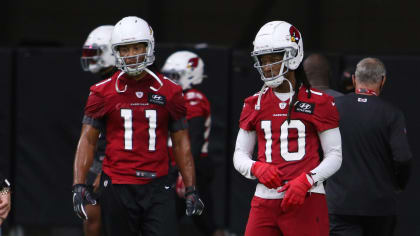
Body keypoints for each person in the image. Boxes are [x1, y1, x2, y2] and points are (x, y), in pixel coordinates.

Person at [72, 16, 204, 236]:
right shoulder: (101, 92)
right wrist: (78, 184)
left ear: (149, 47)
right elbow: (87, 139)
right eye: (125, 49)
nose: (131, 55)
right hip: (117, 184)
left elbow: (182, 143)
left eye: (136, 48)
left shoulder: (170, 91)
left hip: (158, 184)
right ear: (116, 52)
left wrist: (191, 188)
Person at [233, 21, 342, 236]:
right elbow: (239, 155)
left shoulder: (320, 102)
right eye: (263, 60)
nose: (268, 67)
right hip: (265, 199)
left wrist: (308, 179)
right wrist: (256, 167)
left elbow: (335, 155)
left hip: (307, 197)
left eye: (274, 59)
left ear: (294, 55)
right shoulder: (253, 103)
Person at [326, 57, 413, 236]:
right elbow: (403, 157)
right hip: (379, 207)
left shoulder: (333, 108)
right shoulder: (392, 113)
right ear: (383, 81)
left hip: (340, 204)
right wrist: (398, 184)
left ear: (353, 80)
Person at [162, 51, 224, 236]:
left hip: (190, 165)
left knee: (197, 218)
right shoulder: (175, 97)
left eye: (174, 76)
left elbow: (193, 139)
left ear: (190, 74)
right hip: (178, 165)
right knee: (197, 218)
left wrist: (183, 171)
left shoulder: (193, 97)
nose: (169, 81)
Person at [79, 24, 117, 236]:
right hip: (99, 156)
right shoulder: (101, 85)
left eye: (96, 53)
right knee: (90, 215)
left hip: (123, 159)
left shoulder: (124, 86)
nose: (91, 58)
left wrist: (106, 168)